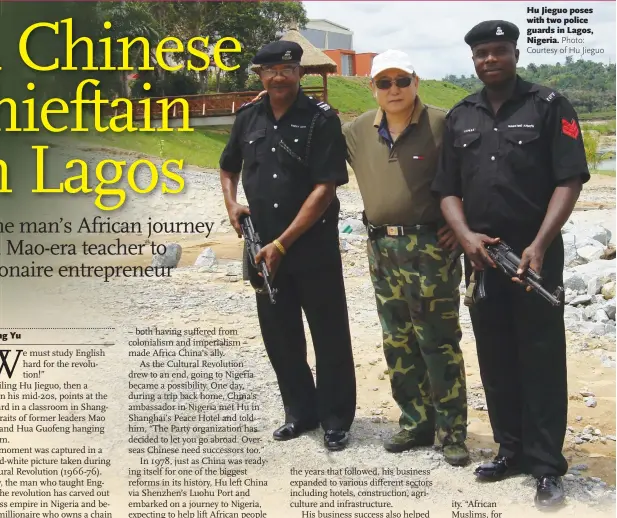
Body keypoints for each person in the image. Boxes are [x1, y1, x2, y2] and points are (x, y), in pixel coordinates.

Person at [431, 20, 590, 508]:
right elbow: (447, 190)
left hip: (532, 256)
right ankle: (510, 450)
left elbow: (570, 179)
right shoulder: (461, 116)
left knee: (540, 356)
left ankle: (546, 465)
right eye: (481, 54)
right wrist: (464, 236)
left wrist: (541, 243)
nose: (489, 60)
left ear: (515, 53)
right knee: (495, 355)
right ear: (474, 61)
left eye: (498, 51)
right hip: (480, 259)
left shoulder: (548, 105)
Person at [218, 40, 356, 452]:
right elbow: (228, 167)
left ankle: (335, 419)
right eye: (270, 70)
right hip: (262, 248)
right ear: (259, 75)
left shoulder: (321, 119)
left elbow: (325, 188)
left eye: (286, 69)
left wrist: (283, 242)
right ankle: (300, 412)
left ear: (299, 73)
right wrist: (232, 204)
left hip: (311, 246)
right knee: (279, 334)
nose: (278, 76)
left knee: (329, 333)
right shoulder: (247, 117)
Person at [342, 49, 469, 466]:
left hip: (431, 248)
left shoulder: (442, 124)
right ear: (372, 88)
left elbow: (474, 173)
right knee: (397, 339)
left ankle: (451, 432)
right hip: (381, 249)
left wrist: (463, 224)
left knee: (438, 340)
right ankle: (415, 422)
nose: (393, 89)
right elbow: (312, 144)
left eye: (401, 80)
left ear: (416, 81)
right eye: (384, 82)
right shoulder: (359, 130)